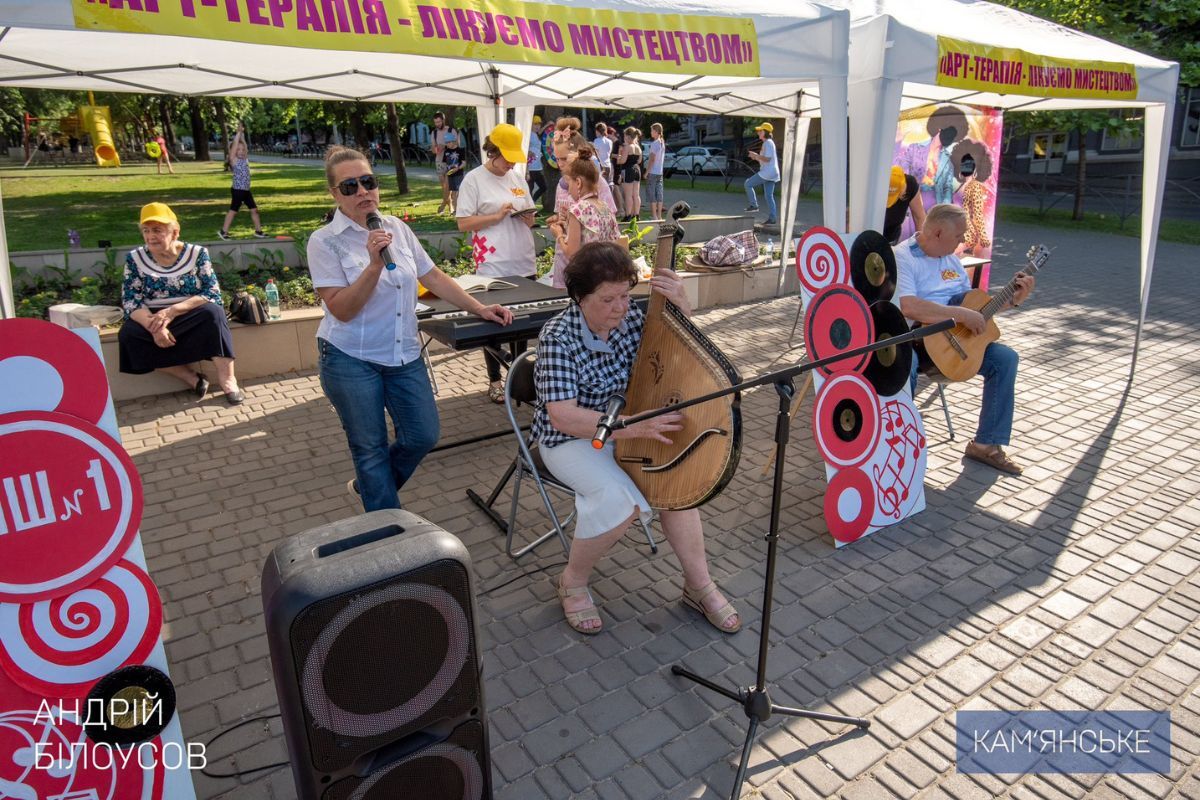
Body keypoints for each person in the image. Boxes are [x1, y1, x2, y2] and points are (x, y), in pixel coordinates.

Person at [533, 242, 741, 636]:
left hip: (629, 426)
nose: (620, 307)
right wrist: (628, 426)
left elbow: (679, 347)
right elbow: (563, 416)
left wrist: (683, 306)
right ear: (579, 298)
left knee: (675, 481)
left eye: (626, 296)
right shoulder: (557, 336)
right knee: (618, 498)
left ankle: (699, 586)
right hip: (571, 439)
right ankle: (572, 581)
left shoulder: (631, 321)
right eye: (608, 299)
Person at [308, 146, 514, 511]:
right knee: (368, 446)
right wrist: (373, 265)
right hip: (350, 358)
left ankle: (373, 486)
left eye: (368, 182)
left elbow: (432, 275)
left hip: (401, 353)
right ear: (334, 195)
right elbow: (341, 309)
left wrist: (480, 308)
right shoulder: (324, 241)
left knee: (422, 435)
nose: (362, 193)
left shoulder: (397, 229)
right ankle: (391, 533)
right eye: (350, 186)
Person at [895, 204, 1035, 475]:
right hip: (914, 340)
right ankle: (898, 443)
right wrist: (959, 314)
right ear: (937, 233)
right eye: (959, 236)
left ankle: (986, 445)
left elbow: (974, 308)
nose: (963, 241)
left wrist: (1012, 301)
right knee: (904, 364)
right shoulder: (903, 257)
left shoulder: (950, 259)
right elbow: (909, 307)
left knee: (1005, 358)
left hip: (952, 344)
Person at [119, 202, 242, 404]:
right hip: (152, 315)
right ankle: (192, 378)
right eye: (146, 230)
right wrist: (155, 327)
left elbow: (212, 293)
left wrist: (173, 311)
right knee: (129, 335)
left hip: (188, 311)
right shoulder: (135, 258)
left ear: (175, 232)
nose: (151, 236)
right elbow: (131, 299)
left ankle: (228, 380)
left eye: (157, 230)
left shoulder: (197, 253)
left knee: (214, 314)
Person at [456, 123, 538, 403]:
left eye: (515, 157)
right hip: (492, 263)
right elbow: (463, 222)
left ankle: (520, 379)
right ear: (493, 151)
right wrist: (495, 216)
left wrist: (529, 218)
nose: (511, 163)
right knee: (493, 325)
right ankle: (494, 379)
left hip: (523, 260)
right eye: (507, 157)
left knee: (522, 325)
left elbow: (530, 214)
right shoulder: (474, 180)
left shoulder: (517, 179)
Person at [547, 121, 618, 289]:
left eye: (564, 158)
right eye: (556, 159)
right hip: (582, 269)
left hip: (581, 271)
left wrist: (558, 233)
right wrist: (560, 220)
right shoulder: (599, 205)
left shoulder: (592, 189)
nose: (560, 164)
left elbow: (574, 250)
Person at [547, 157, 620, 262]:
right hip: (606, 270)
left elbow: (572, 254)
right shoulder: (605, 207)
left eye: (569, 184)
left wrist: (559, 235)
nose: (569, 189)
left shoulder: (577, 210)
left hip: (587, 272)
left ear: (578, 183)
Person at [218, 122, 266, 240]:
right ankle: (223, 231)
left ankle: (258, 231)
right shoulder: (233, 160)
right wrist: (238, 133)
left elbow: (244, 145)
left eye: (242, 149)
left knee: (254, 210)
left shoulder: (245, 159)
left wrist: (242, 134)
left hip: (246, 190)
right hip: (238, 190)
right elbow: (234, 146)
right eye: (238, 149)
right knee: (233, 211)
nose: (240, 151)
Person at [744, 122, 779, 226]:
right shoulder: (768, 143)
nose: (758, 132)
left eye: (760, 131)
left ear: (765, 132)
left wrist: (756, 155)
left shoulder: (767, 142)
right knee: (769, 196)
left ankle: (754, 205)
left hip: (767, 172)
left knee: (748, 184)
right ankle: (772, 219)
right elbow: (764, 160)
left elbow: (767, 159)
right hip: (772, 173)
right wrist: (755, 157)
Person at [883, 165, 927, 245]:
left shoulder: (910, 185)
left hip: (890, 239)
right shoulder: (871, 182)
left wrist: (921, 243)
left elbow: (919, 217)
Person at [431, 112, 458, 214]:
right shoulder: (434, 133)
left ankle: (443, 204)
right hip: (439, 161)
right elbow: (433, 148)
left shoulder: (451, 131)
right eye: (435, 122)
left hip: (451, 161)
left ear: (443, 120)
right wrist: (435, 148)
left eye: (438, 122)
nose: (437, 124)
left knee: (447, 184)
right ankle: (449, 204)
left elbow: (457, 144)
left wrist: (446, 145)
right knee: (444, 186)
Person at [616, 127, 643, 221]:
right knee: (636, 194)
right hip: (637, 169)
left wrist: (618, 156)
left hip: (628, 170)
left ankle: (628, 215)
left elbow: (622, 161)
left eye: (624, 135)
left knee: (628, 195)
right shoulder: (638, 147)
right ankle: (636, 215)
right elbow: (639, 161)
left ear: (627, 136)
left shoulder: (627, 147)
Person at [644, 122, 666, 221]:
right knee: (659, 194)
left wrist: (646, 172)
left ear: (656, 132)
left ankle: (654, 215)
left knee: (652, 194)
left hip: (653, 172)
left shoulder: (654, 144)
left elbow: (652, 159)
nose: (651, 132)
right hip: (660, 172)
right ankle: (659, 215)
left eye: (652, 130)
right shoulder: (662, 143)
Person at [526, 115, 547, 204]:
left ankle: (532, 206)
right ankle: (531, 210)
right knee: (529, 190)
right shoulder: (528, 134)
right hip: (530, 168)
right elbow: (523, 147)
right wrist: (528, 152)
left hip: (537, 167)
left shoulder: (535, 134)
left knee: (543, 187)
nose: (537, 126)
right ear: (530, 125)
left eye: (539, 124)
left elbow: (540, 131)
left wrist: (547, 125)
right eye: (535, 124)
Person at [442, 134, 465, 214]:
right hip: (449, 175)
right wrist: (444, 172)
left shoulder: (460, 150)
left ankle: (460, 210)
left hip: (458, 174)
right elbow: (444, 164)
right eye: (446, 142)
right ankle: (455, 210)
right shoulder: (446, 151)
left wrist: (457, 168)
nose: (447, 144)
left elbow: (464, 163)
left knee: (458, 192)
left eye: (449, 142)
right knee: (453, 193)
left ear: (454, 141)